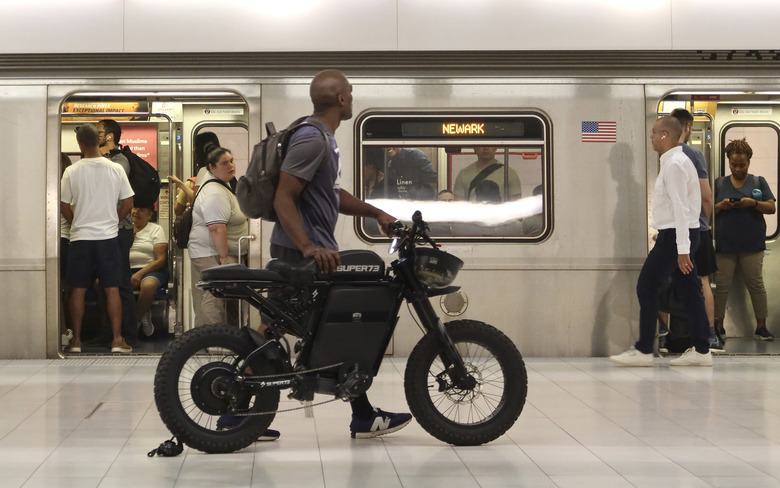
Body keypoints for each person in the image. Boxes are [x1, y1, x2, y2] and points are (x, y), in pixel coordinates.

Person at [270, 69, 412, 438]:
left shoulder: (323, 139)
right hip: (302, 250)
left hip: (314, 249)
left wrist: (376, 212)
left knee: (329, 327)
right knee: (281, 327)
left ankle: (363, 415)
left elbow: (331, 195)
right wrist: (307, 246)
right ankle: (237, 414)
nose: (353, 96)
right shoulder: (313, 139)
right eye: (351, 91)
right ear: (342, 99)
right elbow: (283, 195)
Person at [610, 116, 711, 367]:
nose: (652, 136)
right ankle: (702, 350)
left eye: (654, 132)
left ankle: (644, 350)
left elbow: (681, 208)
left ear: (666, 135)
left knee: (646, 286)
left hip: (676, 237)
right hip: (678, 235)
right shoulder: (675, 161)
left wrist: (683, 249)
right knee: (690, 292)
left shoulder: (675, 164)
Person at [61, 125, 134, 353]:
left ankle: (75, 342)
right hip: (108, 237)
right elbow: (129, 203)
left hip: (80, 237)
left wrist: (76, 222)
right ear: (98, 141)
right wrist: (113, 220)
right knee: (112, 288)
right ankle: (116, 340)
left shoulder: (72, 171)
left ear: (80, 145)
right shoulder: (115, 169)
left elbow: (63, 205)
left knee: (78, 289)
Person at [658, 108, 724, 352]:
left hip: (669, 229)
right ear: (688, 127)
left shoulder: (664, 154)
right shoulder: (695, 155)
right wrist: (702, 224)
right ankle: (708, 335)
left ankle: (663, 334)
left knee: (662, 278)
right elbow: (706, 196)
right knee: (702, 280)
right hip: (696, 229)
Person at [712, 138, 776, 341]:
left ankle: (761, 326)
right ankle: (718, 325)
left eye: (742, 165)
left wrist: (752, 203)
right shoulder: (719, 184)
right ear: (728, 162)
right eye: (733, 165)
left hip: (752, 245)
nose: (738, 169)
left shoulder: (759, 182)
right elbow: (707, 210)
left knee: (756, 285)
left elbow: (771, 208)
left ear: (749, 162)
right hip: (725, 245)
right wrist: (720, 206)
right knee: (721, 286)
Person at [187, 144, 248, 327]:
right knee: (214, 294)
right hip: (210, 252)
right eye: (224, 163)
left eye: (231, 161)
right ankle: (209, 339)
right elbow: (217, 228)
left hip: (219, 251)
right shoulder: (214, 192)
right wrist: (223, 257)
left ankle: (228, 337)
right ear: (211, 168)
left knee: (224, 295)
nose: (231, 166)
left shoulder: (224, 185)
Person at [96, 119, 138, 346]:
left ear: (110, 136)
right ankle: (109, 328)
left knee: (120, 281)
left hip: (119, 229)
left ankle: (129, 332)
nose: (97, 136)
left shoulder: (120, 162)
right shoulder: (101, 160)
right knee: (105, 282)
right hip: (105, 229)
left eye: (99, 133)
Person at [129, 206, 168, 337]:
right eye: (134, 209)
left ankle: (135, 321)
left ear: (150, 214)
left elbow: (161, 260)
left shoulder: (155, 229)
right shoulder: (124, 229)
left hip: (151, 268)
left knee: (148, 285)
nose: (136, 212)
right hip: (127, 268)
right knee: (105, 282)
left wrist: (140, 273)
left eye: (141, 209)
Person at [453, 147, 522, 202]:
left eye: (490, 144)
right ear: (475, 147)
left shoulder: (509, 173)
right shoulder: (464, 174)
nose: (486, 147)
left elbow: (516, 208)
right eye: (482, 144)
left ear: (496, 147)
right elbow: (459, 208)